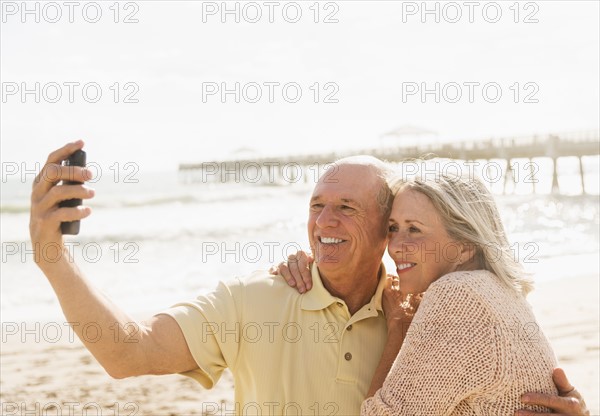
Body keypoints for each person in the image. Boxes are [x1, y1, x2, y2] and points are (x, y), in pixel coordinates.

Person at [29, 141, 588, 415]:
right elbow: (128, 353)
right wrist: (52, 258)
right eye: (317, 205)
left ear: (381, 231)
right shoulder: (254, 300)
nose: (325, 221)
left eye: (348, 207)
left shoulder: (422, 314)